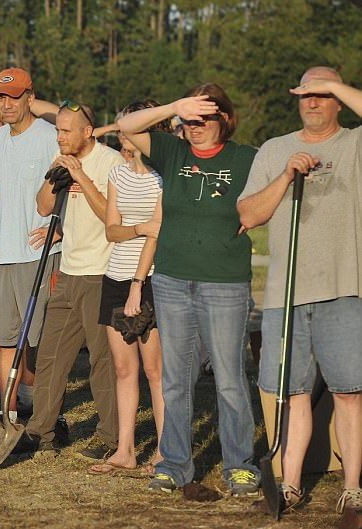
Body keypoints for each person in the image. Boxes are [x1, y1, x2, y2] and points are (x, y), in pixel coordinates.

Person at [117, 83, 260, 496]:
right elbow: (126, 126)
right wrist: (175, 106)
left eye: (204, 119)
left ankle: (240, 465)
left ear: (225, 120)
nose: (194, 127)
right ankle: (175, 464)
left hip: (225, 283)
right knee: (176, 378)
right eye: (189, 120)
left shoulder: (246, 158)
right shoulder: (172, 152)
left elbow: (272, 194)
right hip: (173, 280)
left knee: (229, 377)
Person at [238, 67, 362, 514]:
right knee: (292, 392)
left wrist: (334, 85)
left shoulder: (354, 145)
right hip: (285, 296)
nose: (312, 101)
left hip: (344, 289)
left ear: (337, 99)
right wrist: (287, 175)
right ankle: (289, 484)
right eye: (305, 93)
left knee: (349, 391)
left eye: (322, 93)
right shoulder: (275, 149)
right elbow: (249, 215)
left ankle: (352, 487)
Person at [21, 100, 124, 460]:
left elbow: (112, 217)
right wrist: (55, 176)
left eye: (66, 131)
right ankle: (40, 432)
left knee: (102, 361)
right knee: (50, 356)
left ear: (88, 132)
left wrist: (81, 177)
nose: (60, 136)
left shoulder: (111, 163)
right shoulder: (60, 160)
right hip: (68, 272)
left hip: (103, 273)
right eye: (58, 130)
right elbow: (43, 207)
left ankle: (111, 437)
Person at [88, 100, 167, 476]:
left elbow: (158, 233)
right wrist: (135, 230)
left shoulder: (162, 177)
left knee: (155, 371)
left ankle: (166, 452)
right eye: (121, 131)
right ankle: (125, 450)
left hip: (149, 281)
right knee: (124, 370)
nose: (123, 138)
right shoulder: (117, 176)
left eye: (129, 131)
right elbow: (112, 230)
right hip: (114, 278)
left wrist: (138, 285)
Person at [0, 68, 61, 423]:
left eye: (14, 96)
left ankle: (46, 416)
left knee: (41, 341)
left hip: (38, 254)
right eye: (0, 97)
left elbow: (70, 185)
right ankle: (8, 415)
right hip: (3, 256)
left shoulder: (50, 137)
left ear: (30, 97)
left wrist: (62, 230)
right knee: (6, 340)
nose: (6, 103)